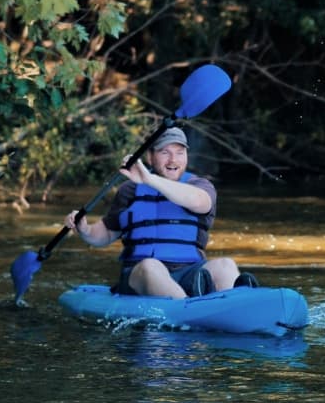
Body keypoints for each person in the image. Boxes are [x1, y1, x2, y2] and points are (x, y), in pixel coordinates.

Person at [64, 127, 257, 298]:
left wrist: (149, 179)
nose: (173, 160)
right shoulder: (129, 191)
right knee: (150, 266)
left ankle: (239, 306)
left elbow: (199, 201)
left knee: (225, 265)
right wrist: (84, 229)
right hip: (139, 276)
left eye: (180, 153)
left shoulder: (199, 185)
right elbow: (106, 234)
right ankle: (191, 309)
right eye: (165, 152)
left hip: (189, 272)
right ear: (150, 157)